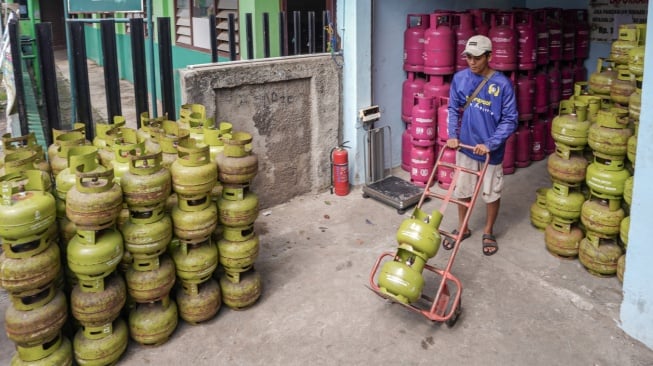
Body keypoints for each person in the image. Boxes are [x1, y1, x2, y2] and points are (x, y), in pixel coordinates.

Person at [442, 35, 518, 256]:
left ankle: (488, 231)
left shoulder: (502, 84)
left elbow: (510, 119)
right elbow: (454, 109)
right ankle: (463, 227)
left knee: (491, 193)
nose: (472, 62)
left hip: (490, 153)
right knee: (462, 189)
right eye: (468, 57)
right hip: (465, 146)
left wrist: (491, 143)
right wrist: (453, 135)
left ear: (489, 56)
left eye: (477, 58)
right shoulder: (460, 78)